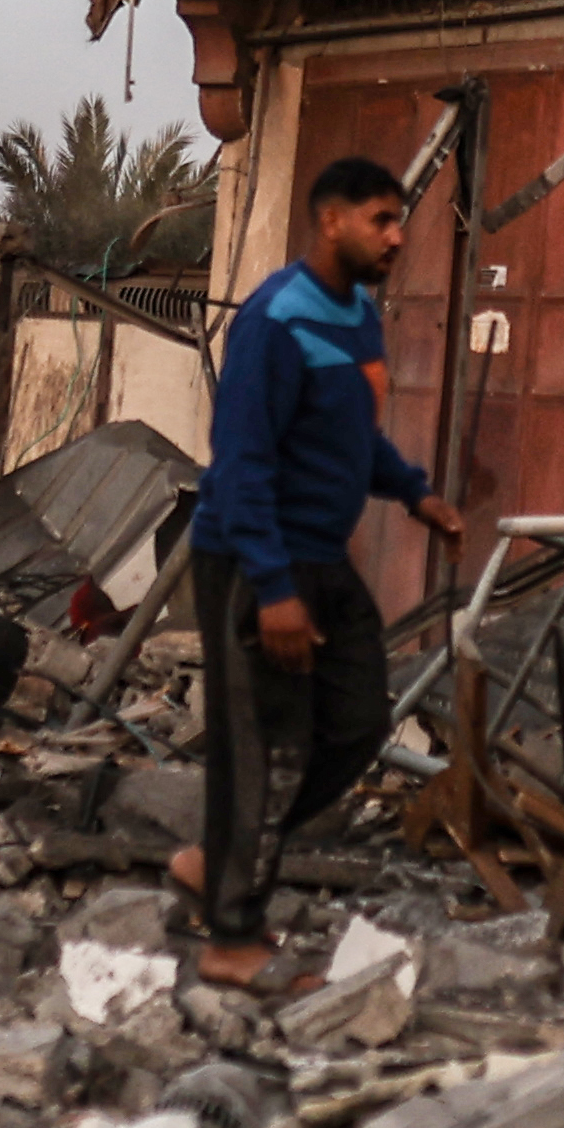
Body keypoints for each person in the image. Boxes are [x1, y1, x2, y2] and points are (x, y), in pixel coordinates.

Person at [180, 152, 462, 982]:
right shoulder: (274, 321)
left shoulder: (358, 316)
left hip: (319, 559)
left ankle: (218, 857)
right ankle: (231, 939)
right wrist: (271, 590)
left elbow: (350, 439)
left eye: (399, 218)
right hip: (250, 560)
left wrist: (413, 494)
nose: (397, 235)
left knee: (355, 726)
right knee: (267, 751)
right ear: (330, 220)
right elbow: (240, 463)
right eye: (380, 218)